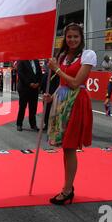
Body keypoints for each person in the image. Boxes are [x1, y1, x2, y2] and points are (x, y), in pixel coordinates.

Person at [44, 23, 97, 205]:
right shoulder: (63, 56)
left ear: (81, 38)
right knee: (65, 148)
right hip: (61, 101)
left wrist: (56, 69)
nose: (72, 40)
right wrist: (51, 97)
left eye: (75, 36)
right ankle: (68, 187)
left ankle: (67, 190)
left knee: (70, 146)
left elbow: (75, 83)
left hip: (76, 102)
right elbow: (62, 84)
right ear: (64, 39)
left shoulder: (88, 55)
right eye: (69, 37)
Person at [16, 59, 42, 132]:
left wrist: (38, 83)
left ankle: (33, 125)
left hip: (35, 89)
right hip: (24, 88)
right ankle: (19, 124)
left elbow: (39, 73)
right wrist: (29, 83)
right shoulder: (22, 60)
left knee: (33, 108)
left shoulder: (36, 61)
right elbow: (20, 73)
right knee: (22, 107)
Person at [41, 60, 60, 131]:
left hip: (55, 95)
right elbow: (43, 84)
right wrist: (44, 92)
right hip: (47, 94)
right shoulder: (47, 74)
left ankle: (53, 125)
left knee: (54, 111)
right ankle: (47, 124)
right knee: (46, 111)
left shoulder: (58, 74)